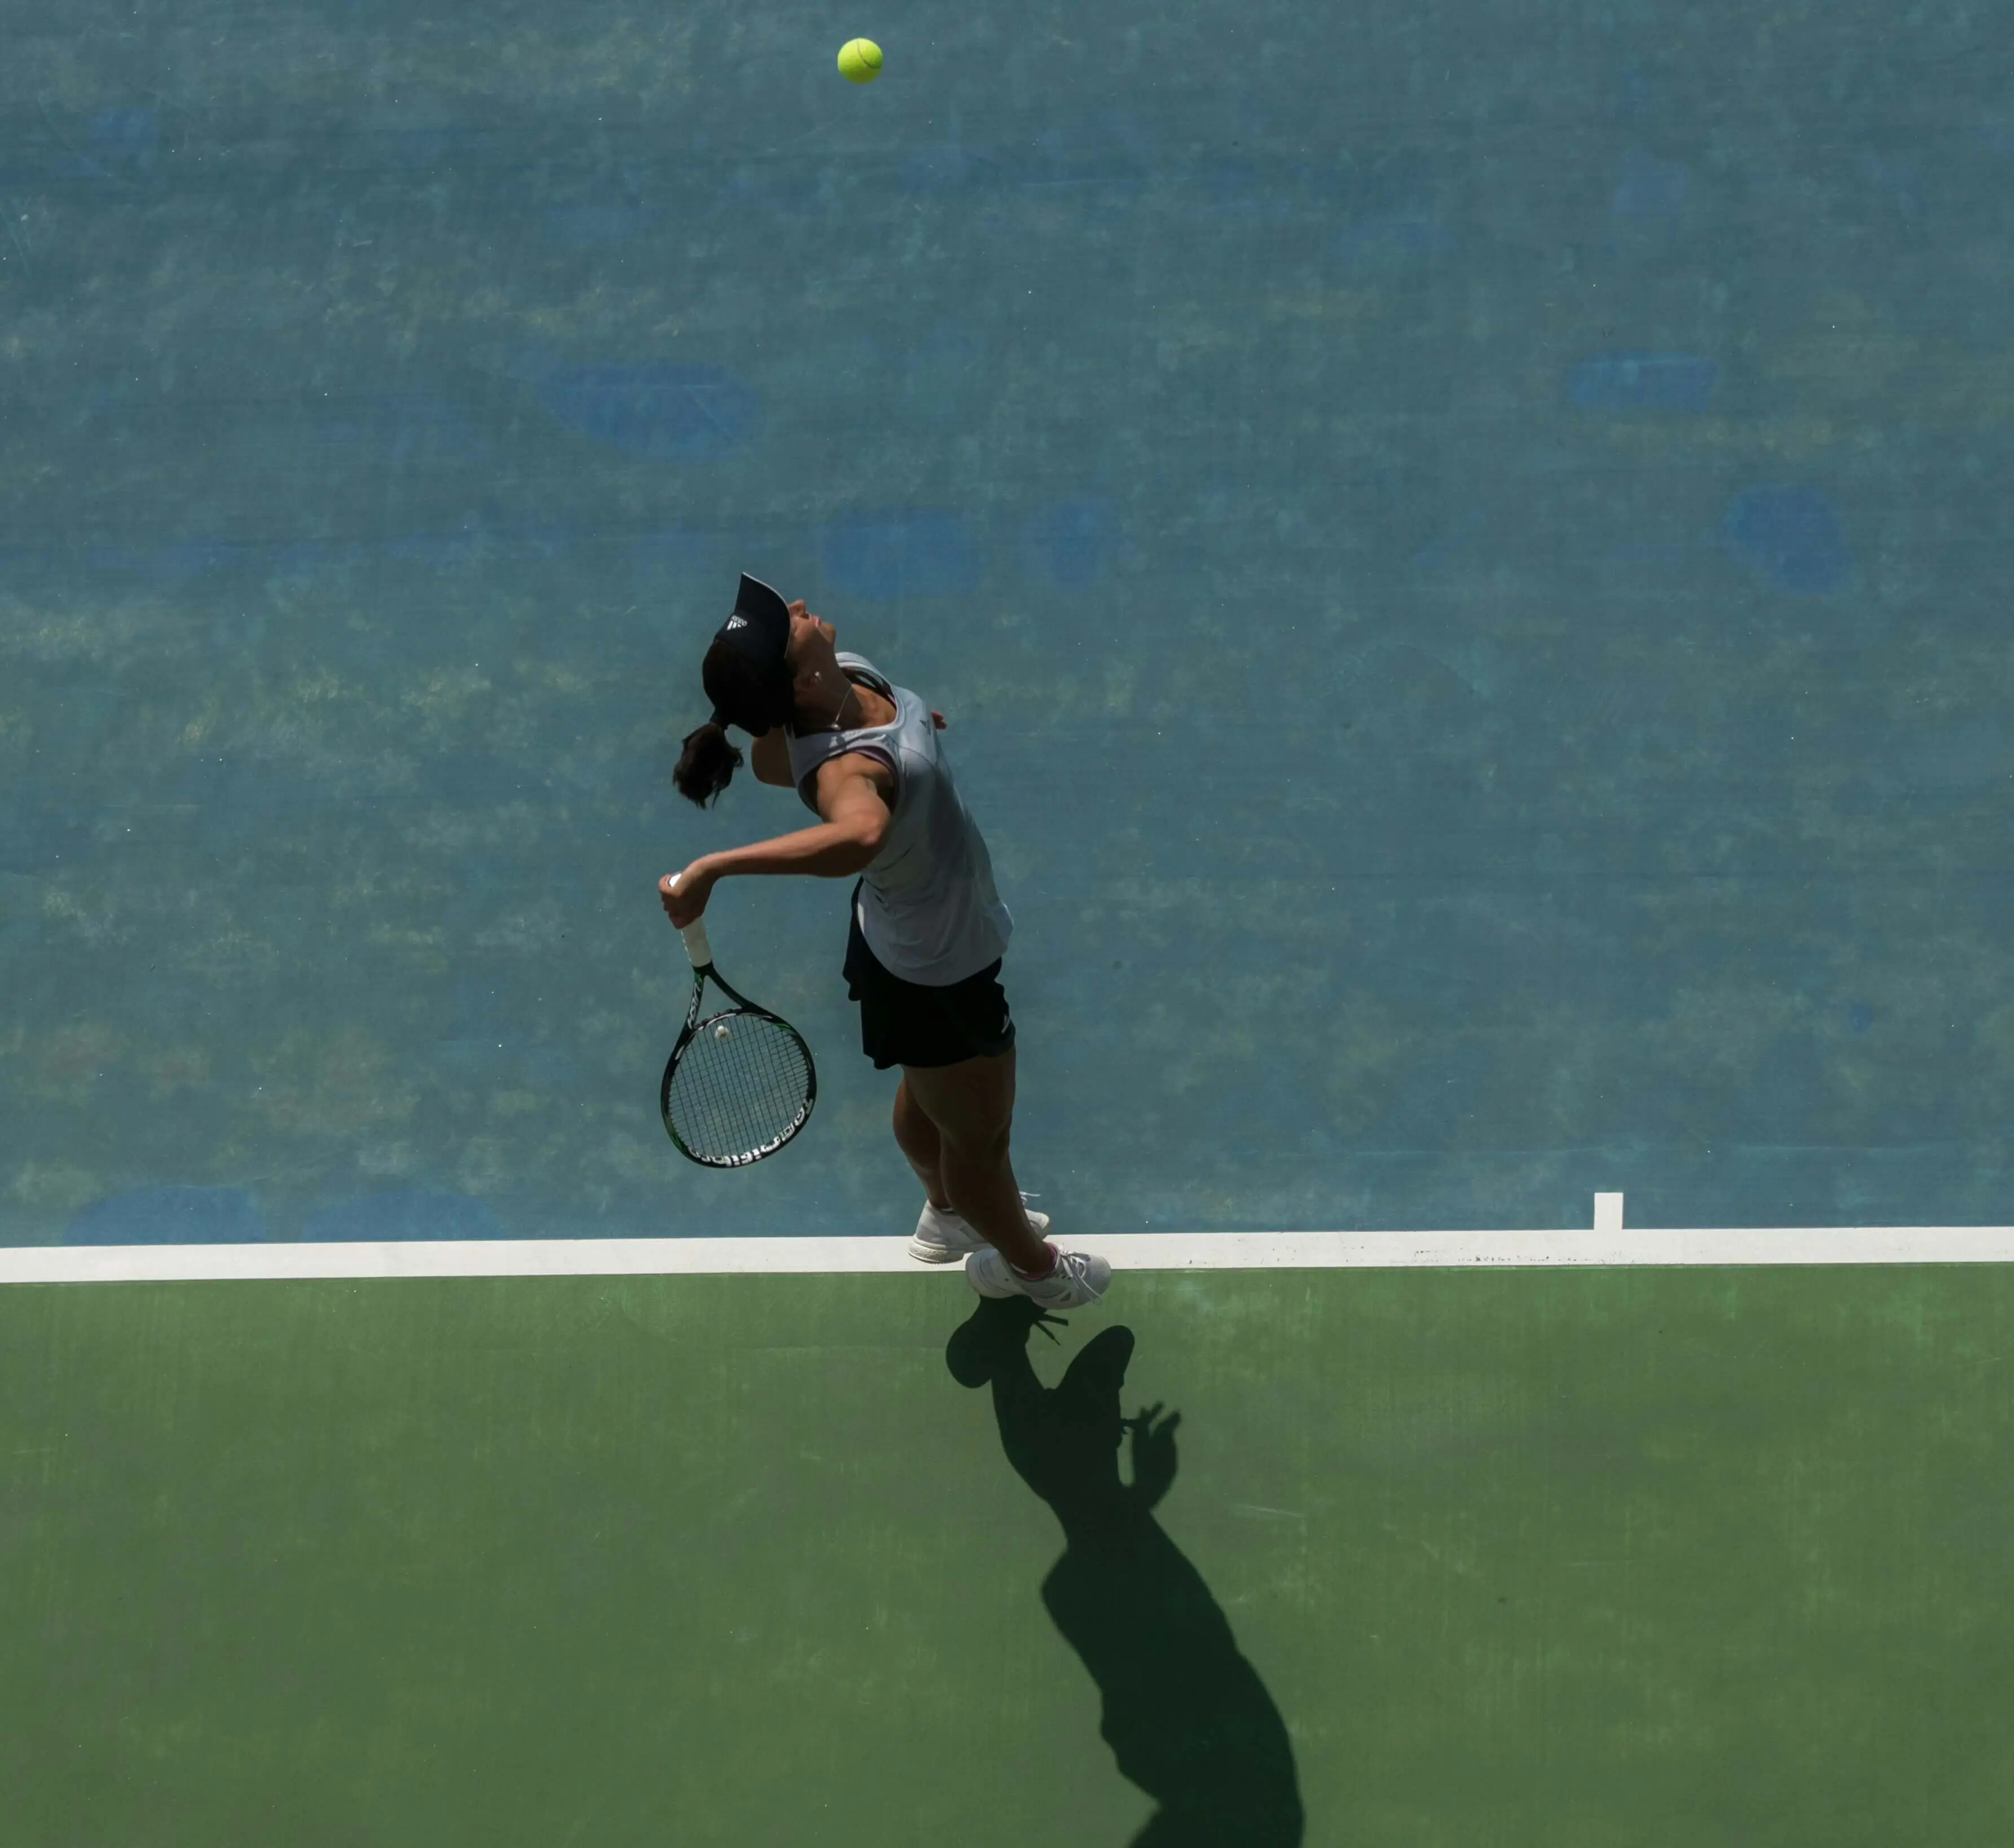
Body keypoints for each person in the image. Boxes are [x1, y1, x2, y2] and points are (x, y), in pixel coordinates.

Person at [658, 574, 1109, 1309]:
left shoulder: (842, 680)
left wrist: (913, 731)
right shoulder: (849, 771)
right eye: (788, 624)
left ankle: (948, 1216)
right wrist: (715, 867)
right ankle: (1033, 1270)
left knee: (932, 1091)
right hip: (940, 968)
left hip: (900, 944)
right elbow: (858, 832)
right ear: (798, 675)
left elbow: (776, 759)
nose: (800, 608)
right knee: (982, 1148)